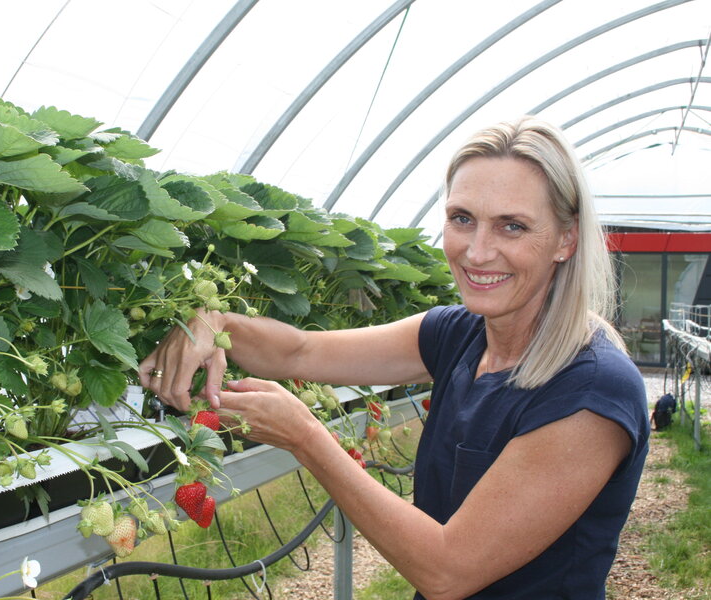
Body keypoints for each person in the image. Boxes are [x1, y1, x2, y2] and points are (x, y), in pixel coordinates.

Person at [139, 116, 649, 599]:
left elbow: (447, 571)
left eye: (511, 226)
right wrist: (213, 324)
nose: (476, 251)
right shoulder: (459, 335)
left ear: (566, 239)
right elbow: (300, 350)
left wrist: (306, 436)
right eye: (462, 219)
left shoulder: (592, 389)